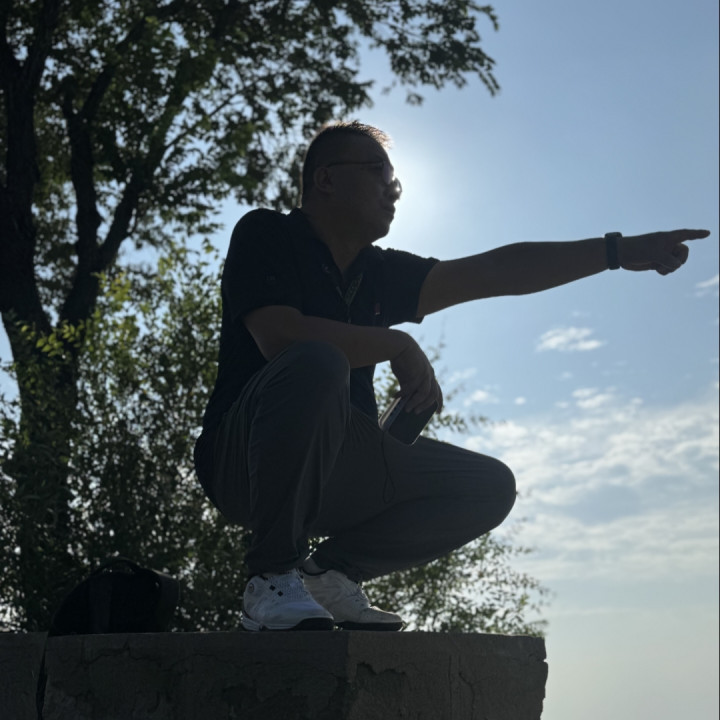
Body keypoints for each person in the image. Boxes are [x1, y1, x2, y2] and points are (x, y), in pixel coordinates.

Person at [193, 121, 709, 632]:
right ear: (325, 179)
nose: (393, 190)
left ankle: (330, 575)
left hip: (339, 470)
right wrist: (395, 343)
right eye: (378, 172)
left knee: (486, 487)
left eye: (396, 180)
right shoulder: (267, 233)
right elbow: (280, 336)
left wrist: (616, 252)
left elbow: (496, 271)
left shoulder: (380, 272)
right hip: (241, 461)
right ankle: (271, 576)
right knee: (318, 360)